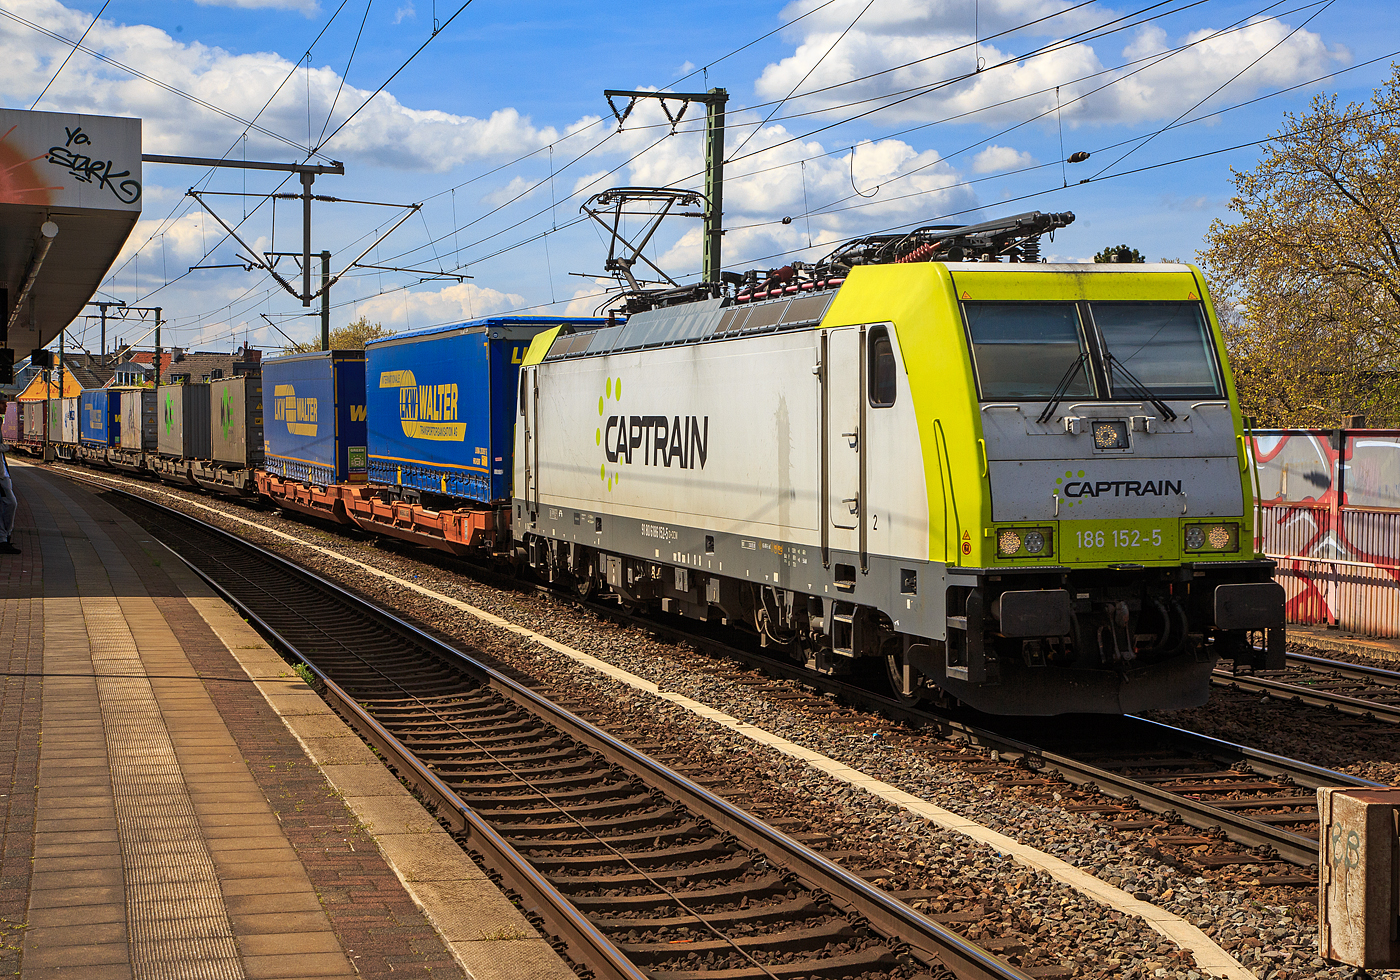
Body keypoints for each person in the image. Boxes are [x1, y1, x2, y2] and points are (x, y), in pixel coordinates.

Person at [0, 393, 18, 555]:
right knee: (10, 503)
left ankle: (5, 537)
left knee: (8, 504)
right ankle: (4, 538)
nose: (6, 407)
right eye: (3, 404)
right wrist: (7, 448)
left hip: (3, 473)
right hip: (0, 476)